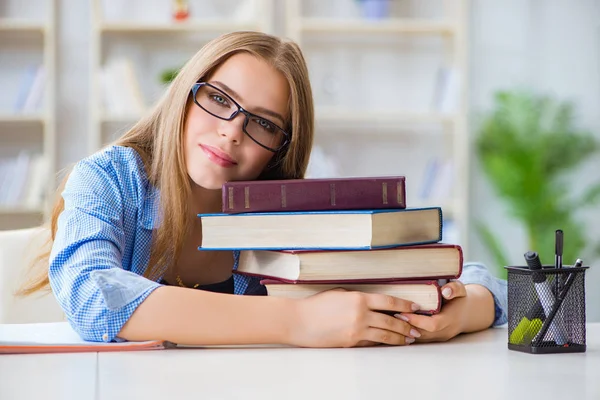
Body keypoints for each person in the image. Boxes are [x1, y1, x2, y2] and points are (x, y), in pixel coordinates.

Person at [18, 31, 507, 347]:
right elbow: (95, 297)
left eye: (263, 124)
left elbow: (475, 275)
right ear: (185, 96)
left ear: (280, 147)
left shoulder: (286, 212)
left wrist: (460, 315)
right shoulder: (107, 178)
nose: (232, 132)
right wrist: (298, 323)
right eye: (218, 99)